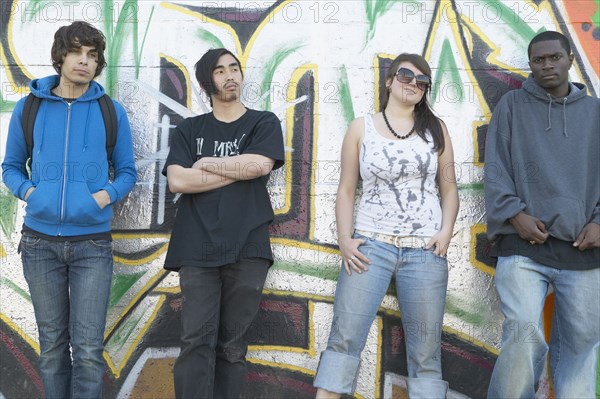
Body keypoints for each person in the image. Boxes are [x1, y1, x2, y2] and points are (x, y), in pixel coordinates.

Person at [1, 21, 136, 399]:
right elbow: (11, 167)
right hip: (40, 245)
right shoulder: (31, 107)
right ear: (60, 56)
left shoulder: (112, 112)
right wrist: (33, 193)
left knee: (90, 351)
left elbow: (126, 173)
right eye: (77, 51)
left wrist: (101, 198)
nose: (84, 61)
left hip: (92, 246)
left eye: (92, 55)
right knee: (53, 349)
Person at [313, 53, 459, 398]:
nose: (413, 84)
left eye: (422, 81)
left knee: (425, 355)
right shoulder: (361, 127)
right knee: (344, 338)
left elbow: (449, 189)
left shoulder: (436, 129)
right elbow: (347, 190)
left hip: (424, 252)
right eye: (406, 76)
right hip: (369, 248)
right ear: (389, 80)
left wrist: (445, 232)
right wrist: (345, 240)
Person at [163, 48, 285, 399]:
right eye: (220, 71)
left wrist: (204, 163)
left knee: (232, 347)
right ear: (207, 82)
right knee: (195, 342)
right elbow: (178, 182)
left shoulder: (263, 121)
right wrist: (237, 168)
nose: (230, 75)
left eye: (234, 68)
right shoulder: (190, 129)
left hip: (248, 246)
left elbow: (259, 167)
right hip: (195, 246)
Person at [485, 30, 600, 398]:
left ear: (569, 58)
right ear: (531, 65)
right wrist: (515, 215)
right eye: (539, 60)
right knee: (522, 336)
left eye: (554, 57)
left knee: (581, 348)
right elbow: (496, 169)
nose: (547, 65)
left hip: (583, 252)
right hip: (523, 247)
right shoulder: (512, 106)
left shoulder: (595, 113)